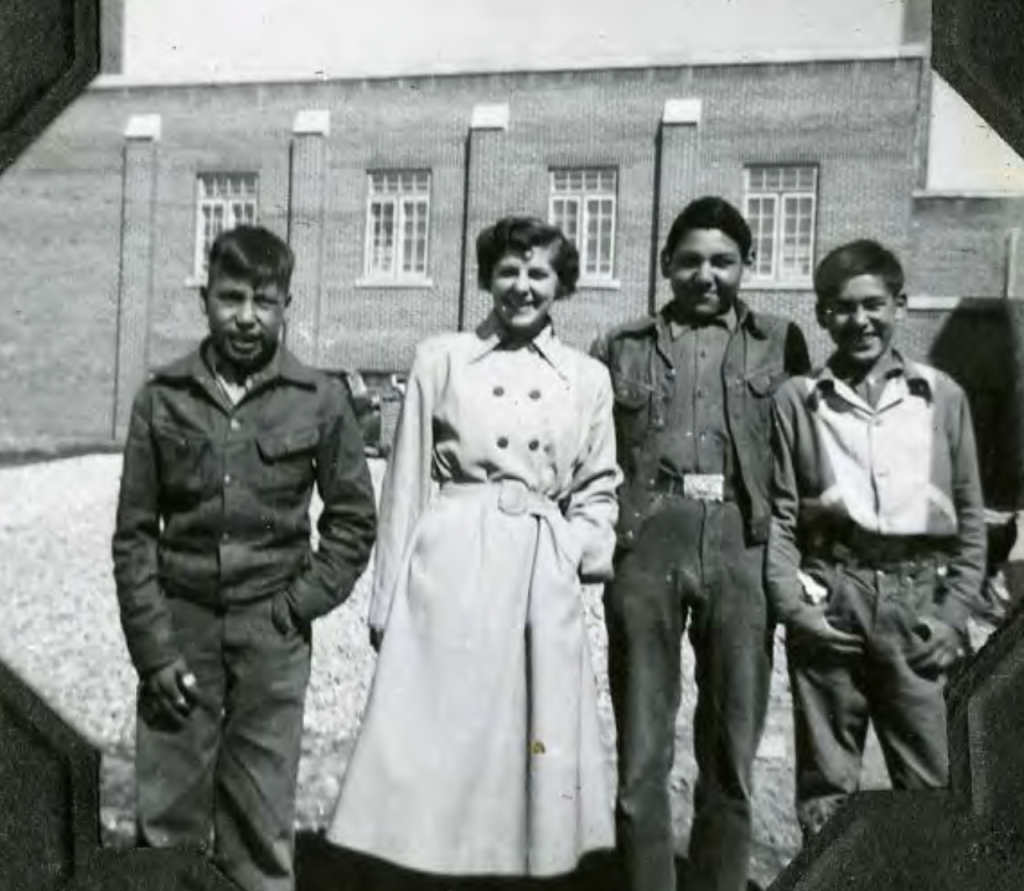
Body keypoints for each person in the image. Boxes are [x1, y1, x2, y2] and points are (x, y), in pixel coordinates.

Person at [327, 216, 621, 881]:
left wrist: (575, 550)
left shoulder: (587, 378)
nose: (522, 286)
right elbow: (404, 482)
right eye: (509, 272)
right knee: (443, 740)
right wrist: (385, 600)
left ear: (561, 284)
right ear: (488, 278)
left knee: (528, 745)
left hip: (539, 569)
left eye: (538, 273)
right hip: (452, 558)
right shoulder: (442, 358)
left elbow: (600, 485)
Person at [112, 225, 377, 891]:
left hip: (273, 638)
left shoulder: (320, 400)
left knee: (259, 825)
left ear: (288, 305)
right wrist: (154, 649)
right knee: (167, 823)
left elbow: (351, 522)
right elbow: (135, 534)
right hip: (182, 630)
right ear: (206, 299)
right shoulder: (163, 397)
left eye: (265, 301)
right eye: (232, 298)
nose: (247, 317)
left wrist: (296, 607)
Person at [592, 196, 810, 891]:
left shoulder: (781, 342)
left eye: (723, 260)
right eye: (690, 260)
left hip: (742, 541)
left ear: (746, 266)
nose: (706, 274)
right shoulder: (620, 345)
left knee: (732, 742)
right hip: (649, 537)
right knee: (642, 743)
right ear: (665, 265)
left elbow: (803, 453)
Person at [766, 238, 987, 838]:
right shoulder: (798, 400)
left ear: (900, 305)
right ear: (821, 314)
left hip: (918, 605)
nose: (859, 320)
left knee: (936, 784)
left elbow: (970, 518)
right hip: (831, 598)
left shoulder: (939, 395)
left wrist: (952, 612)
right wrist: (793, 609)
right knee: (827, 792)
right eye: (842, 307)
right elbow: (782, 518)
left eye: (873, 305)